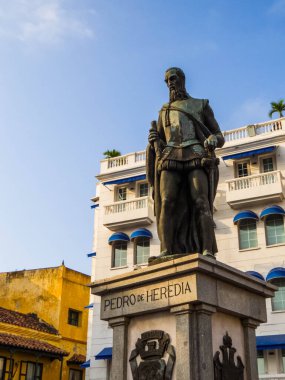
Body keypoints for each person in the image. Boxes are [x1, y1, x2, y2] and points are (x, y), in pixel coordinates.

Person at [146, 67, 224, 259]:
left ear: (181, 79)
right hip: (170, 155)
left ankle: (207, 249)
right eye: (166, 81)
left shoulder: (201, 105)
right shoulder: (164, 111)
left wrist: (213, 139)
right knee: (166, 202)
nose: (169, 83)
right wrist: (154, 139)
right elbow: (161, 140)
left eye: (172, 79)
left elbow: (219, 135)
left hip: (196, 154)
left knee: (201, 201)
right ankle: (166, 249)